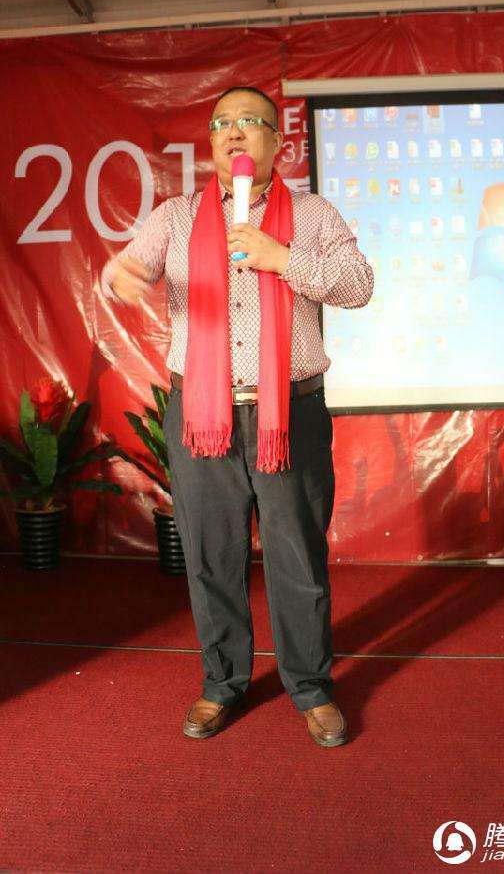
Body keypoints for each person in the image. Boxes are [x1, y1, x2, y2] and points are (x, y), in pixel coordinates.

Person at [101, 86, 373, 748]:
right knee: (210, 554)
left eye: (250, 122)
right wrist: (119, 276)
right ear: (212, 142)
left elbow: (359, 284)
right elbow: (127, 268)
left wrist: (283, 258)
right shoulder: (177, 216)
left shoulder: (311, 214)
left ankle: (310, 686)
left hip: (290, 413)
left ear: (277, 142)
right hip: (202, 416)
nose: (233, 132)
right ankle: (222, 682)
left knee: (298, 555)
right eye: (222, 123)